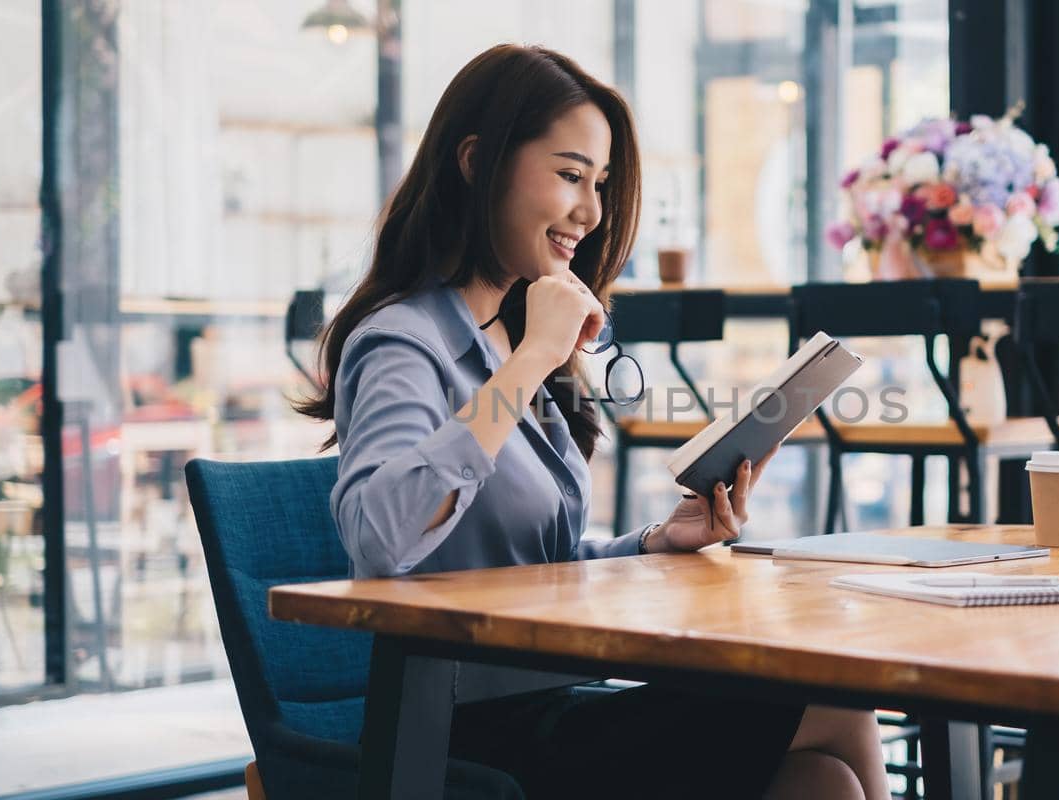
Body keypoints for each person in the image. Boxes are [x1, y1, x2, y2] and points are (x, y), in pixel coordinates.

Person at [295, 44, 890, 800]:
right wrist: (534, 357)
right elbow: (381, 539)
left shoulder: (509, 342)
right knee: (833, 693)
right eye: (571, 175)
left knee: (822, 782)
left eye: (600, 184)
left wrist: (653, 543)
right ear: (478, 161)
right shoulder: (402, 340)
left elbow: (531, 565)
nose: (593, 211)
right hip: (458, 735)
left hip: (549, 706)